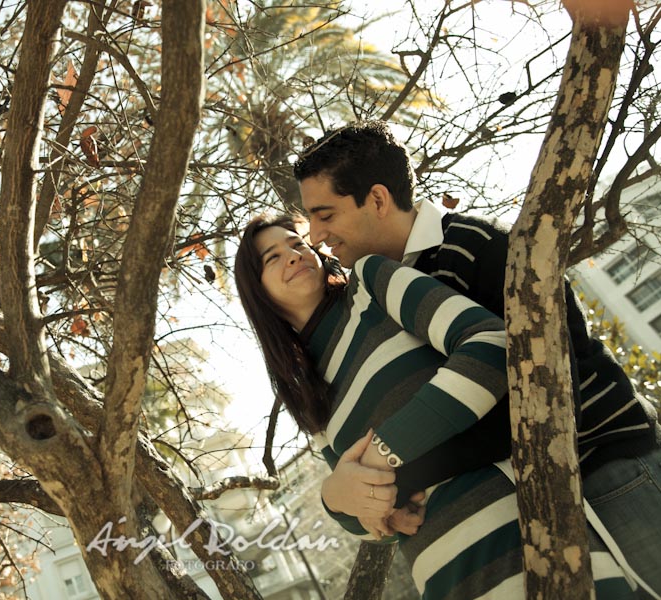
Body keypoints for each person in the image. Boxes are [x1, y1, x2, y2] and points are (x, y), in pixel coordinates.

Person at [292, 120, 661, 592]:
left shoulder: (477, 246)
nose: (316, 236)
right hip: (540, 504)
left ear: (378, 200)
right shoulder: (380, 298)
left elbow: (532, 383)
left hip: (611, 470)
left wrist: (399, 477)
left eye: (325, 214)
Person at [234, 214, 637, 598]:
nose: (294, 255)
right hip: (446, 578)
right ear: (257, 290)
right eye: (273, 257)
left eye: (298, 244)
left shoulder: (371, 283)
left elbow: (492, 344)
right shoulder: (305, 393)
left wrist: (384, 450)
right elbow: (374, 521)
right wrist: (337, 502)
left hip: (531, 537)